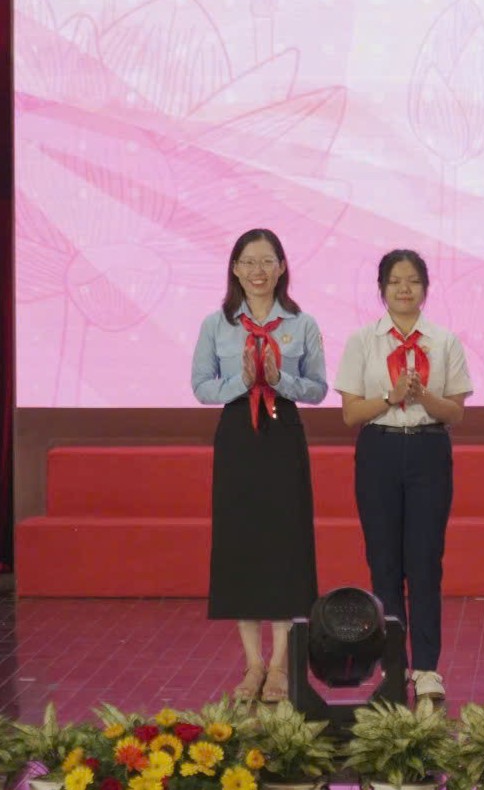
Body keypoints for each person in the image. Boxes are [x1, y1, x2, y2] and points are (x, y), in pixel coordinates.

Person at [190, 227, 328, 703]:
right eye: (248, 262)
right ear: (234, 269)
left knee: (284, 547)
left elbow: (318, 389)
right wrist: (242, 382)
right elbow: (201, 386)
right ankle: (252, 665)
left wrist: (279, 378)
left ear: (282, 267)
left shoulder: (302, 323)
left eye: (267, 261)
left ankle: (280, 667)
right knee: (242, 547)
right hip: (237, 437)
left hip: (282, 435)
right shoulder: (217, 324)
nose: (258, 271)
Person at [333, 249, 472, 706]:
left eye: (413, 281)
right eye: (395, 281)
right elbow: (351, 413)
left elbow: (456, 412)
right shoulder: (363, 341)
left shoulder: (444, 341)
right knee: (384, 563)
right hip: (380, 449)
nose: (404, 289)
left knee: (426, 562)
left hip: (429, 449)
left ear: (426, 289)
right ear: (382, 289)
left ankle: (427, 668)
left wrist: (424, 396)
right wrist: (392, 397)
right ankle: (394, 666)